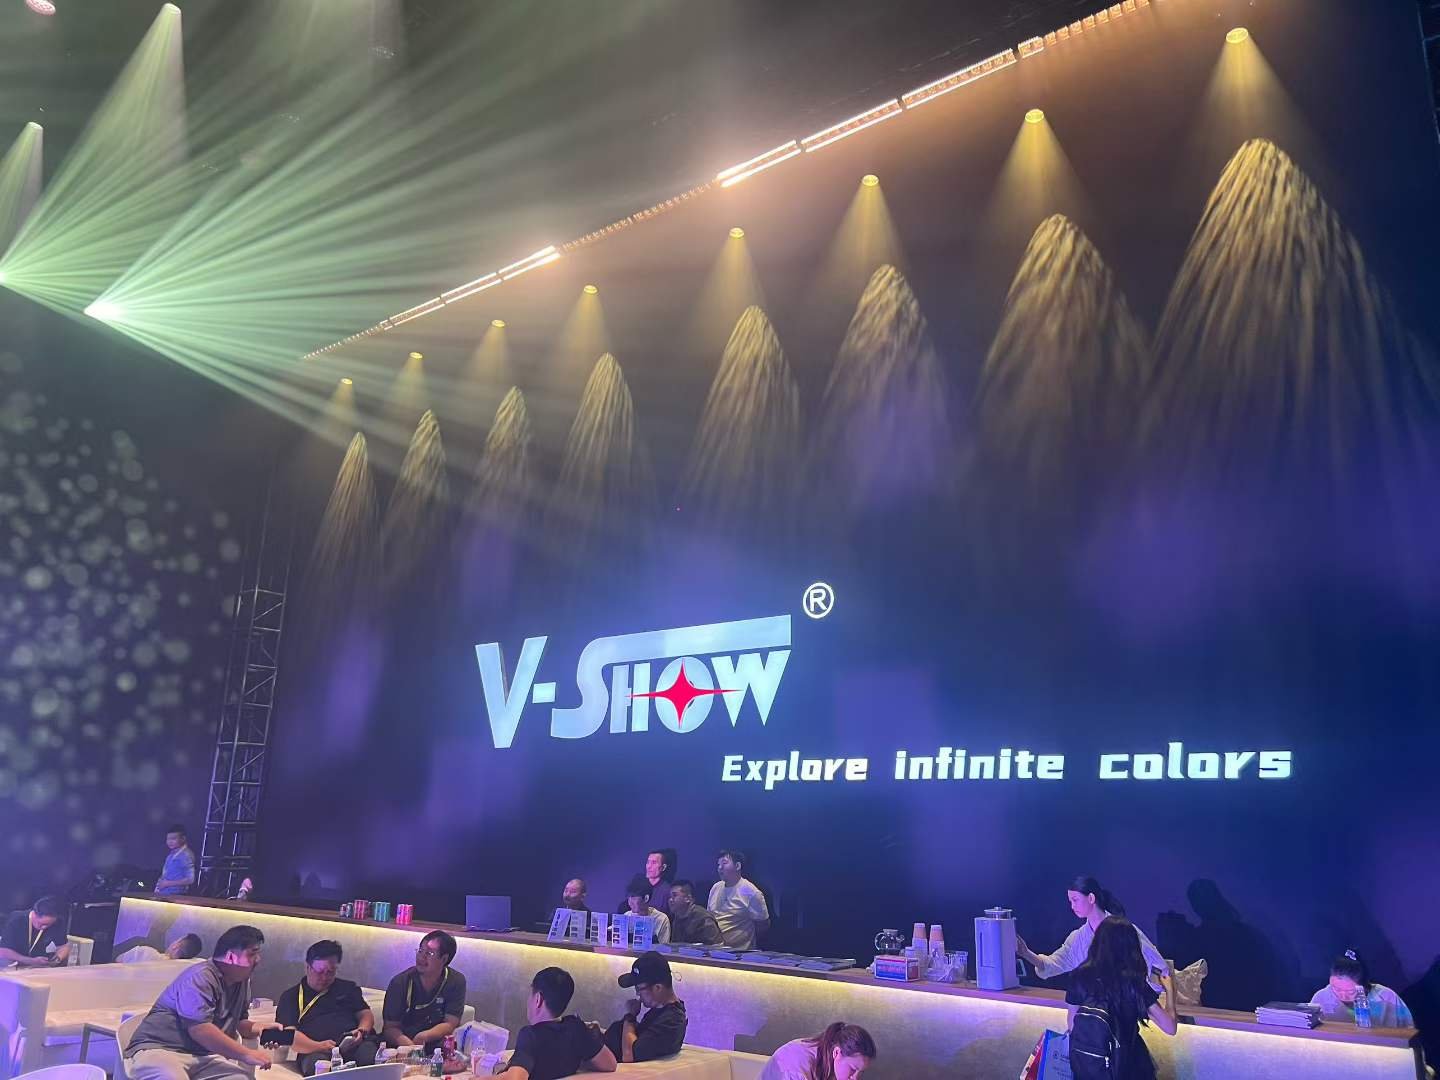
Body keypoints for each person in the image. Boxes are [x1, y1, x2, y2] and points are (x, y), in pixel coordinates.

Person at [125, 924, 277, 1080]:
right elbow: (200, 1030)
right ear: (230, 957)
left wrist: (260, 1028)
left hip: (202, 1056)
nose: (258, 960)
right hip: (160, 1049)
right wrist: (246, 1054)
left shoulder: (242, 981)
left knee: (241, 1078)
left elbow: (239, 1022)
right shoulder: (200, 978)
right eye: (252, 954)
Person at [1064, 917, 1177, 1080]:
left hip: (1089, 1065)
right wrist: (1170, 990)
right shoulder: (1133, 982)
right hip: (1128, 1065)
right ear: (1131, 947)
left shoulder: (1078, 976)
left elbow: (1072, 1024)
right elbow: (1170, 1027)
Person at [1018, 875, 1166, 990]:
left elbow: (1158, 965)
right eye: (1070, 901)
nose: (1072, 906)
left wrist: (1147, 999)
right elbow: (1053, 964)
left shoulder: (1123, 930)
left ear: (1091, 898)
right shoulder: (1078, 938)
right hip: (1095, 1008)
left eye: (1075, 900)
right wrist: (1026, 953)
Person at [275, 940, 377, 1076]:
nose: (324, 977)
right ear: (308, 967)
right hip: (314, 1051)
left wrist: (362, 1030)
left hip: (354, 1045)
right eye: (320, 971)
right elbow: (289, 1036)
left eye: (330, 972)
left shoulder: (348, 988)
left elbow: (365, 1014)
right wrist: (319, 1046)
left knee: (370, 1057)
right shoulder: (291, 996)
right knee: (319, 1067)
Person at [499, 966, 617, 1080]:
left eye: (531, 995)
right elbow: (610, 1064)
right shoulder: (576, 1027)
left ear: (538, 999)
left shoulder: (530, 1035)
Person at [382, 930, 467, 1052]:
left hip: (434, 1041)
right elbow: (390, 1028)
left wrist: (424, 1036)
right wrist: (410, 1047)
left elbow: (450, 1023)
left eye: (429, 953)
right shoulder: (400, 982)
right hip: (401, 1043)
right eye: (420, 951)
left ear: (444, 959)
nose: (421, 957)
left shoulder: (456, 981)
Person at [603, 952, 687, 1063]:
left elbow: (629, 1055)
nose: (637, 994)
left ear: (658, 988)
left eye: (639, 989)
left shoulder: (672, 1021)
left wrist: (630, 1017)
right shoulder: (660, 1010)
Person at [1309, 949, 1415, 1027]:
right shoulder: (1321, 997)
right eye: (1336, 989)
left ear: (1364, 985)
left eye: (1350, 991)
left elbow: (1408, 1030)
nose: (1342, 995)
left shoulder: (1386, 997)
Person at [760, 1023, 877, 1080]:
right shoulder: (797, 1069)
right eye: (853, 1069)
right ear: (837, 1053)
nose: (855, 1078)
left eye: (861, 1072)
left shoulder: (828, 1056)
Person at [707, 849, 769, 950]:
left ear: (737, 866)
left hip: (740, 952)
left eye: (724, 863)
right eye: (718, 864)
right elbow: (710, 918)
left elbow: (762, 924)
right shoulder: (716, 887)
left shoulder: (749, 891)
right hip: (715, 949)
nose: (720, 868)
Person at [0, 895, 71, 968]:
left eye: (48, 925)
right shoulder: (16, 919)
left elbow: (64, 946)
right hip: (13, 963)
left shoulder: (57, 922)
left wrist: (57, 959)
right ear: (34, 914)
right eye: (42, 924)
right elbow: (3, 951)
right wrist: (31, 961)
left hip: (39, 964)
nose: (44, 928)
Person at [666, 880, 723, 947]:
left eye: (674, 895)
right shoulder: (677, 917)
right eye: (669, 897)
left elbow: (716, 947)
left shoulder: (704, 919)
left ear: (688, 898)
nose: (670, 900)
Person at [623, 875, 672, 944]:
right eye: (628, 897)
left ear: (646, 898)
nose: (630, 902)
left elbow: (664, 947)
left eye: (633, 897)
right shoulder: (626, 916)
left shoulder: (661, 919)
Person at [155, 825, 197, 896]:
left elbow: (190, 879)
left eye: (173, 839)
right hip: (164, 894)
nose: (170, 842)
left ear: (183, 839)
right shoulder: (170, 855)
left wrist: (167, 883)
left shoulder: (186, 855)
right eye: (168, 839)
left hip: (177, 895)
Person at [120, 934, 205, 963]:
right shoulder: (180, 976)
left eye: (177, 940)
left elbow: (118, 961)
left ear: (176, 946)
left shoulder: (145, 952)